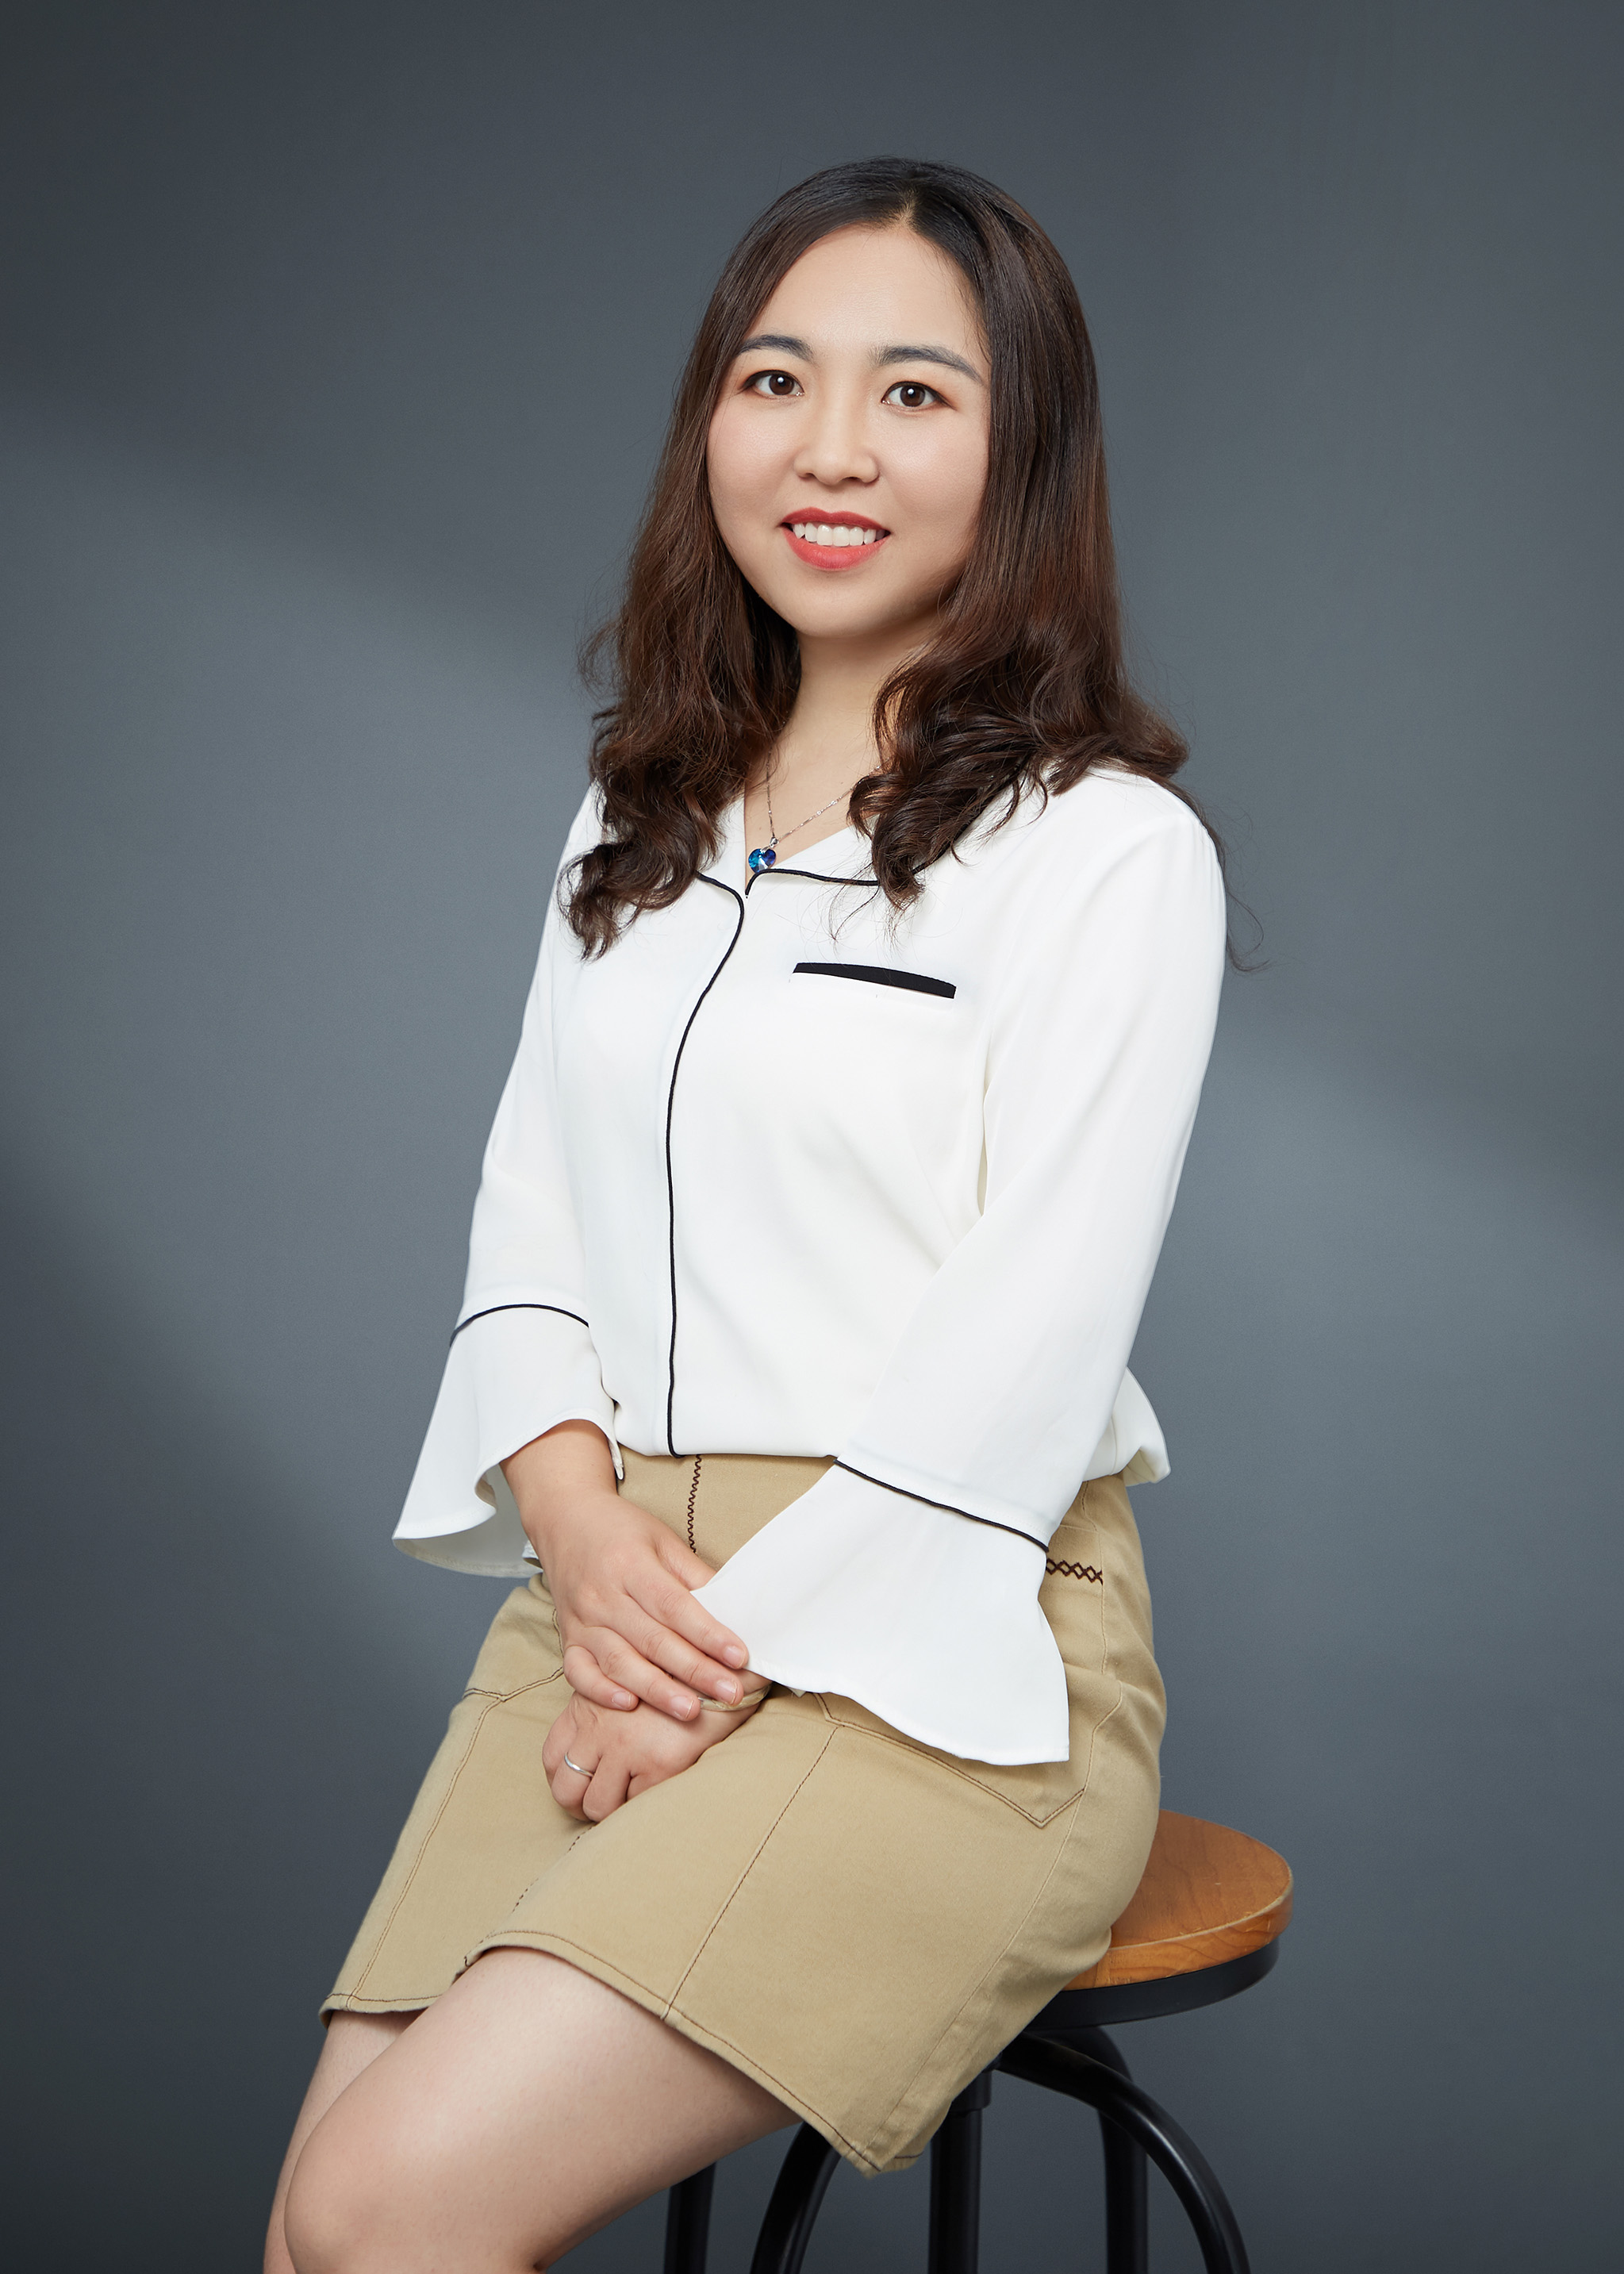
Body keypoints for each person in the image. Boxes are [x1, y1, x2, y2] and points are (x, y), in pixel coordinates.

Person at [267, 156, 1227, 2274]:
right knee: (323, 2237)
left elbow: (1023, 1352)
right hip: (612, 1585)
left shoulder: (1106, 853)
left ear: (1023, 453)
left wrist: (707, 1660)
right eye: (777, 379)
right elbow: (530, 1220)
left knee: (388, 2203)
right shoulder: (636, 810)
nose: (829, 448)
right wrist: (580, 1536)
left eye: (915, 394)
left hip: (941, 1640)